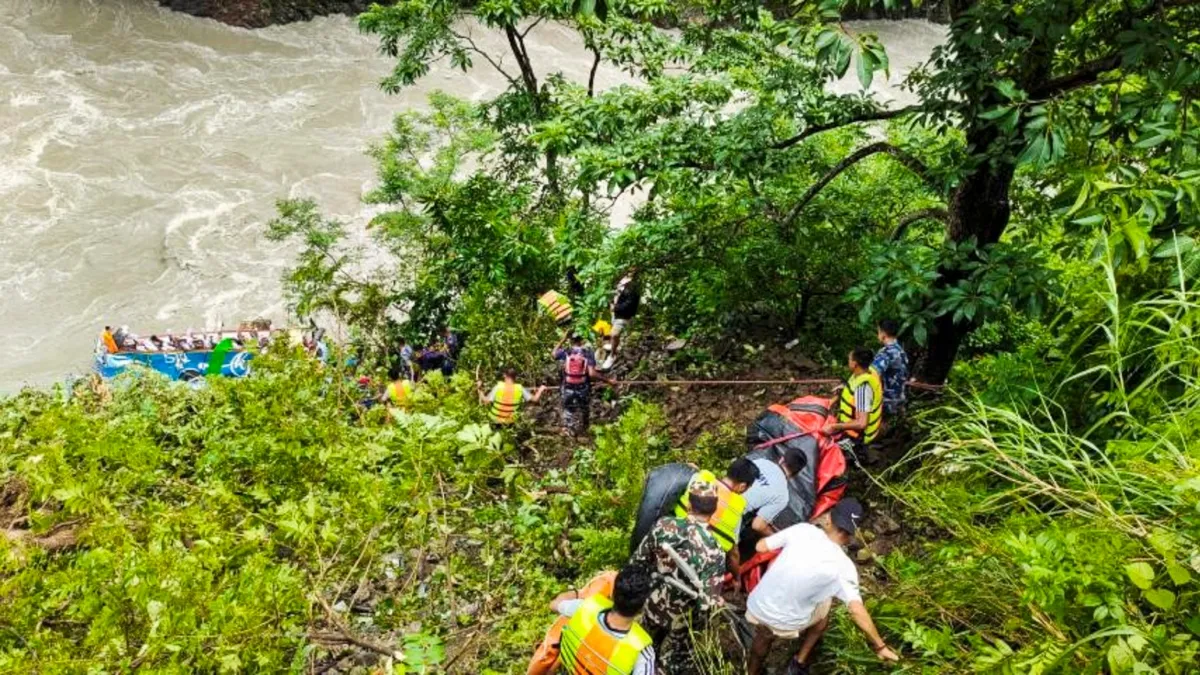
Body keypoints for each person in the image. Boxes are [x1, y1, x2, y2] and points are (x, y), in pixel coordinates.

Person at [745, 499, 899, 675]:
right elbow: (856, 610)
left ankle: (752, 671)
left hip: (758, 606)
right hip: (787, 623)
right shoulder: (844, 567)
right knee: (826, 602)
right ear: (852, 534)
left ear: (828, 520)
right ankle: (799, 661)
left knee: (764, 635)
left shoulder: (803, 530)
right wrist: (880, 646)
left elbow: (760, 547)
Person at [630, 476, 726, 674]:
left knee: (640, 647)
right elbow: (707, 605)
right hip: (681, 620)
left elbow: (638, 561)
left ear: (689, 504)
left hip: (652, 603)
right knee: (672, 663)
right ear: (714, 510)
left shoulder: (665, 526)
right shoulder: (715, 551)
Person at [551, 564, 657, 675]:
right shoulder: (642, 653)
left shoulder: (584, 608)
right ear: (641, 607)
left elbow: (553, 604)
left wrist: (577, 593)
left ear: (613, 593)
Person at [675, 458, 760, 569]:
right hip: (695, 561)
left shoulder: (700, 477)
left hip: (674, 534)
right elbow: (733, 553)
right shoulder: (737, 507)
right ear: (743, 486)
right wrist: (736, 579)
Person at [822, 348, 883, 456]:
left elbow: (861, 423)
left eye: (849, 359)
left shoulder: (863, 390)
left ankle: (856, 454)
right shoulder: (866, 372)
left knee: (827, 449)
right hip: (853, 423)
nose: (848, 361)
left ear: (855, 364)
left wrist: (834, 426)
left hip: (858, 436)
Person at [553, 333, 612, 436]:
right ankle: (585, 429)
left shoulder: (567, 352)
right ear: (581, 341)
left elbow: (553, 354)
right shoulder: (587, 353)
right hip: (583, 387)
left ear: (571, 341)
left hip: (568, 386)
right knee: (584, 408)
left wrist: (563, 339)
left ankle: (569, 430)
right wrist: (608, 380)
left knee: (568, 409)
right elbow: (592, 374)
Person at [742, 447, 808, 538]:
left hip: (720, 496)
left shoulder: (761, 462)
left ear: (781, 459)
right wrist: (778, 538)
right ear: (796, 474)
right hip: (732, 516)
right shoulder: (783, 495)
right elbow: (757, 525)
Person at [600, 269, 641, 371]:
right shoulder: (621, 279)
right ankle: (613, 345)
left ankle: (612, 355)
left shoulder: (634, 286)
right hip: (615, 311)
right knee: (611, 329)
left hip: (622, 313)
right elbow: (615, 294)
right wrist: (611, 303)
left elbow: (630, 303)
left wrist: (616, 308)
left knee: (615, 334)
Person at [478, 368, 546, 426]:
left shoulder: (499, 387)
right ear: (515, 377)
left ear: (504, 375)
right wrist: (540, 390)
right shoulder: (520, 388)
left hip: (495, 420)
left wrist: (479, 388)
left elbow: (486, 401)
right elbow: (535, 399)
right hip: (510, 423)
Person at [872, 319, 910, 417]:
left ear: (883, 333)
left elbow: (872, 374)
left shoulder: (887, 353)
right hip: (900, 402)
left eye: (878, 332)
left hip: (886, 404)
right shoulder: (901, 351)